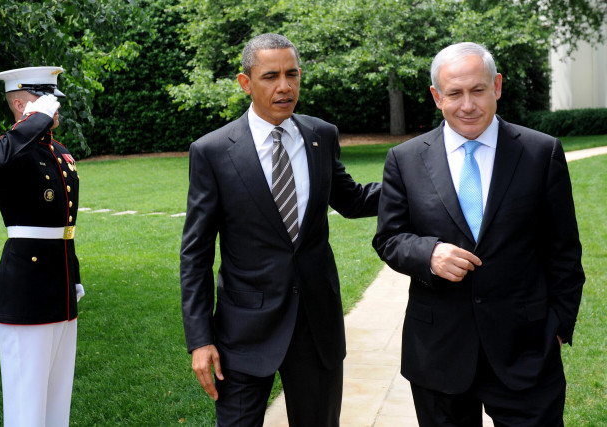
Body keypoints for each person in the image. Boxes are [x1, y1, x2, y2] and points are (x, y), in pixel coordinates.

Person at [373, 42, 585, 426]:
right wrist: (428, 254)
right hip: (439, 354)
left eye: (478, 90)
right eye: (455, 93)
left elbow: (564, 251)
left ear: (497, 86)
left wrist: (556, 329)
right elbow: (389, 238)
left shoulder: (541, 153)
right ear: (437, 96)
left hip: (526, 352)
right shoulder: (404, 159)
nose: (468, 105)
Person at [180, 33, 380, 426]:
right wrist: (200, 339)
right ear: (245, 82)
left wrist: (415, 185)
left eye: (292, 74)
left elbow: (353, 199)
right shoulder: (212, 151)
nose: (285, 86)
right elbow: (196, 254)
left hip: (316, 326)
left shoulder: (321, 135)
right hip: (243, 332)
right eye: (271, 76)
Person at [0, 66, 84, 426]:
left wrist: (73, 276)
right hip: (26, 288)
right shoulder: (11, 150)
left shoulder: (57, 151)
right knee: (26, 402)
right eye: (45, 100)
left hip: (60, 284)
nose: (54, 108)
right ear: (19, 104)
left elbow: (64, 227)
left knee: (57, 397)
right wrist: (35, 119)